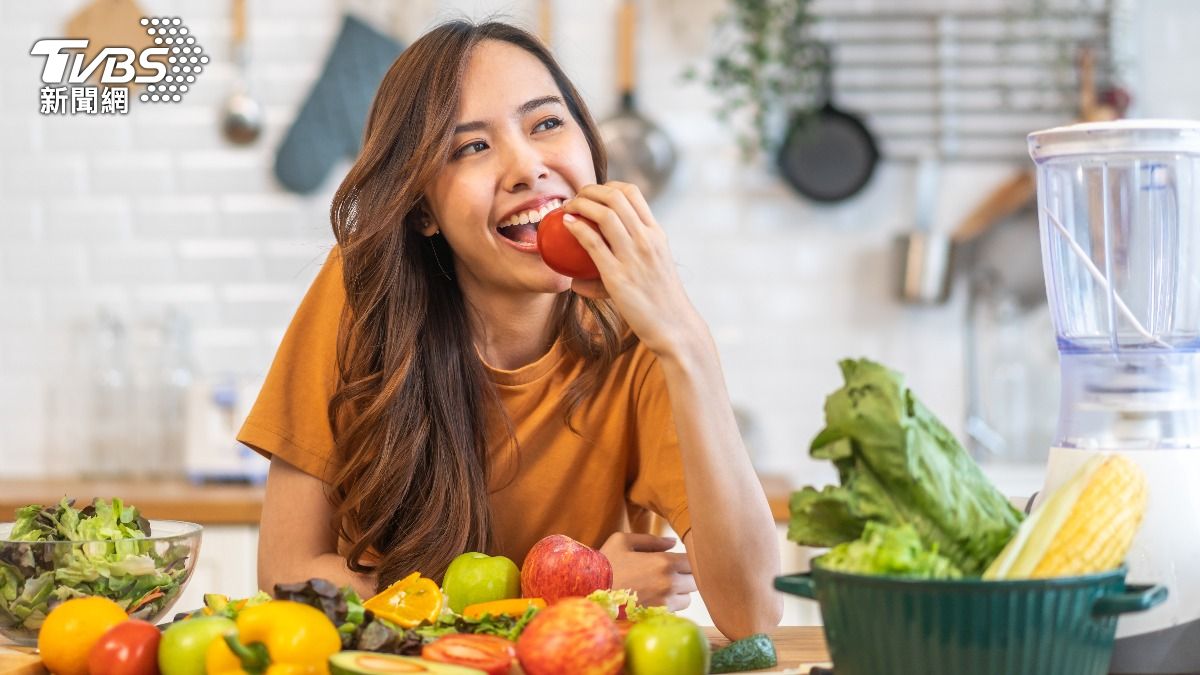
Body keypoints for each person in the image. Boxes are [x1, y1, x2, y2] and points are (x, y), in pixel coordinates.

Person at [237, 19, 781, 638]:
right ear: (422, 212)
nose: (527, 166)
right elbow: (288, 577)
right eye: (471, 147)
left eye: (546, 123)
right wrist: (573, 589)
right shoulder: (362, 295)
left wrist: (686, 340)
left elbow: (753, 613)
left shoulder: (643, 335)